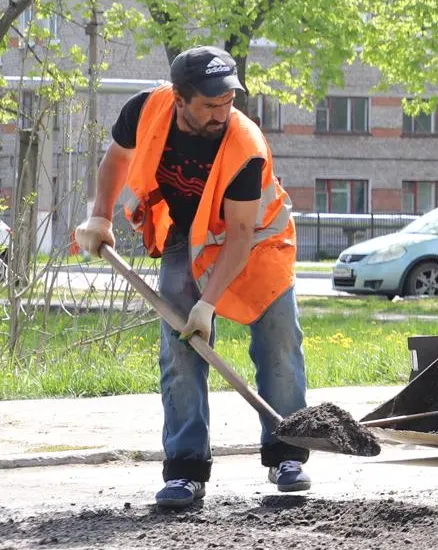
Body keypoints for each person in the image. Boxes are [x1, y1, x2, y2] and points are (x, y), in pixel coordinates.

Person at [74, 46, 305, 510]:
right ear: (180, 98)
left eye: (229, 102)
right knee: (179, 347)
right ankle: (185, 469)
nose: (223, 112)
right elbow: (116, 160)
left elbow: (240, 235)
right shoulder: (145, 110)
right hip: (189, 236)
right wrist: (99, 217)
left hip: (256, 243)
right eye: (210, 104)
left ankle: (287, 454)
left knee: (278, 341)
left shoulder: (245, 145)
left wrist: (208, 304)